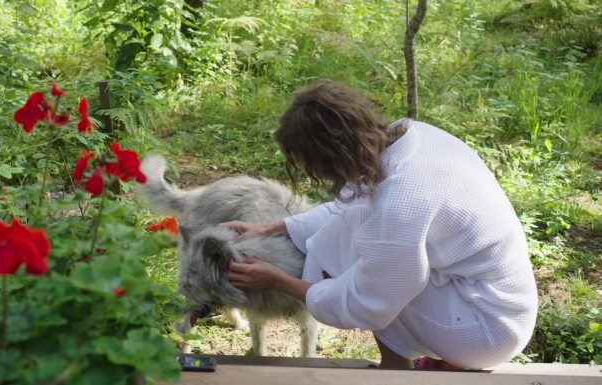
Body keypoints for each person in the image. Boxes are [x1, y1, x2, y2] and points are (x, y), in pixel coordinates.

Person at [222, 80, 538, 370]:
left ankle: (396, 371)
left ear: (331, 159)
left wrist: (278, 280)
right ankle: (402, 361)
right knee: (363, 241)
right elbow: (351, 208)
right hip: (491, 297)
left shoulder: (402, 200)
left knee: (374, 272)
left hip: (487, 331)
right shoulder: (410, 135)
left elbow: (367, 303)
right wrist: (273, 227)